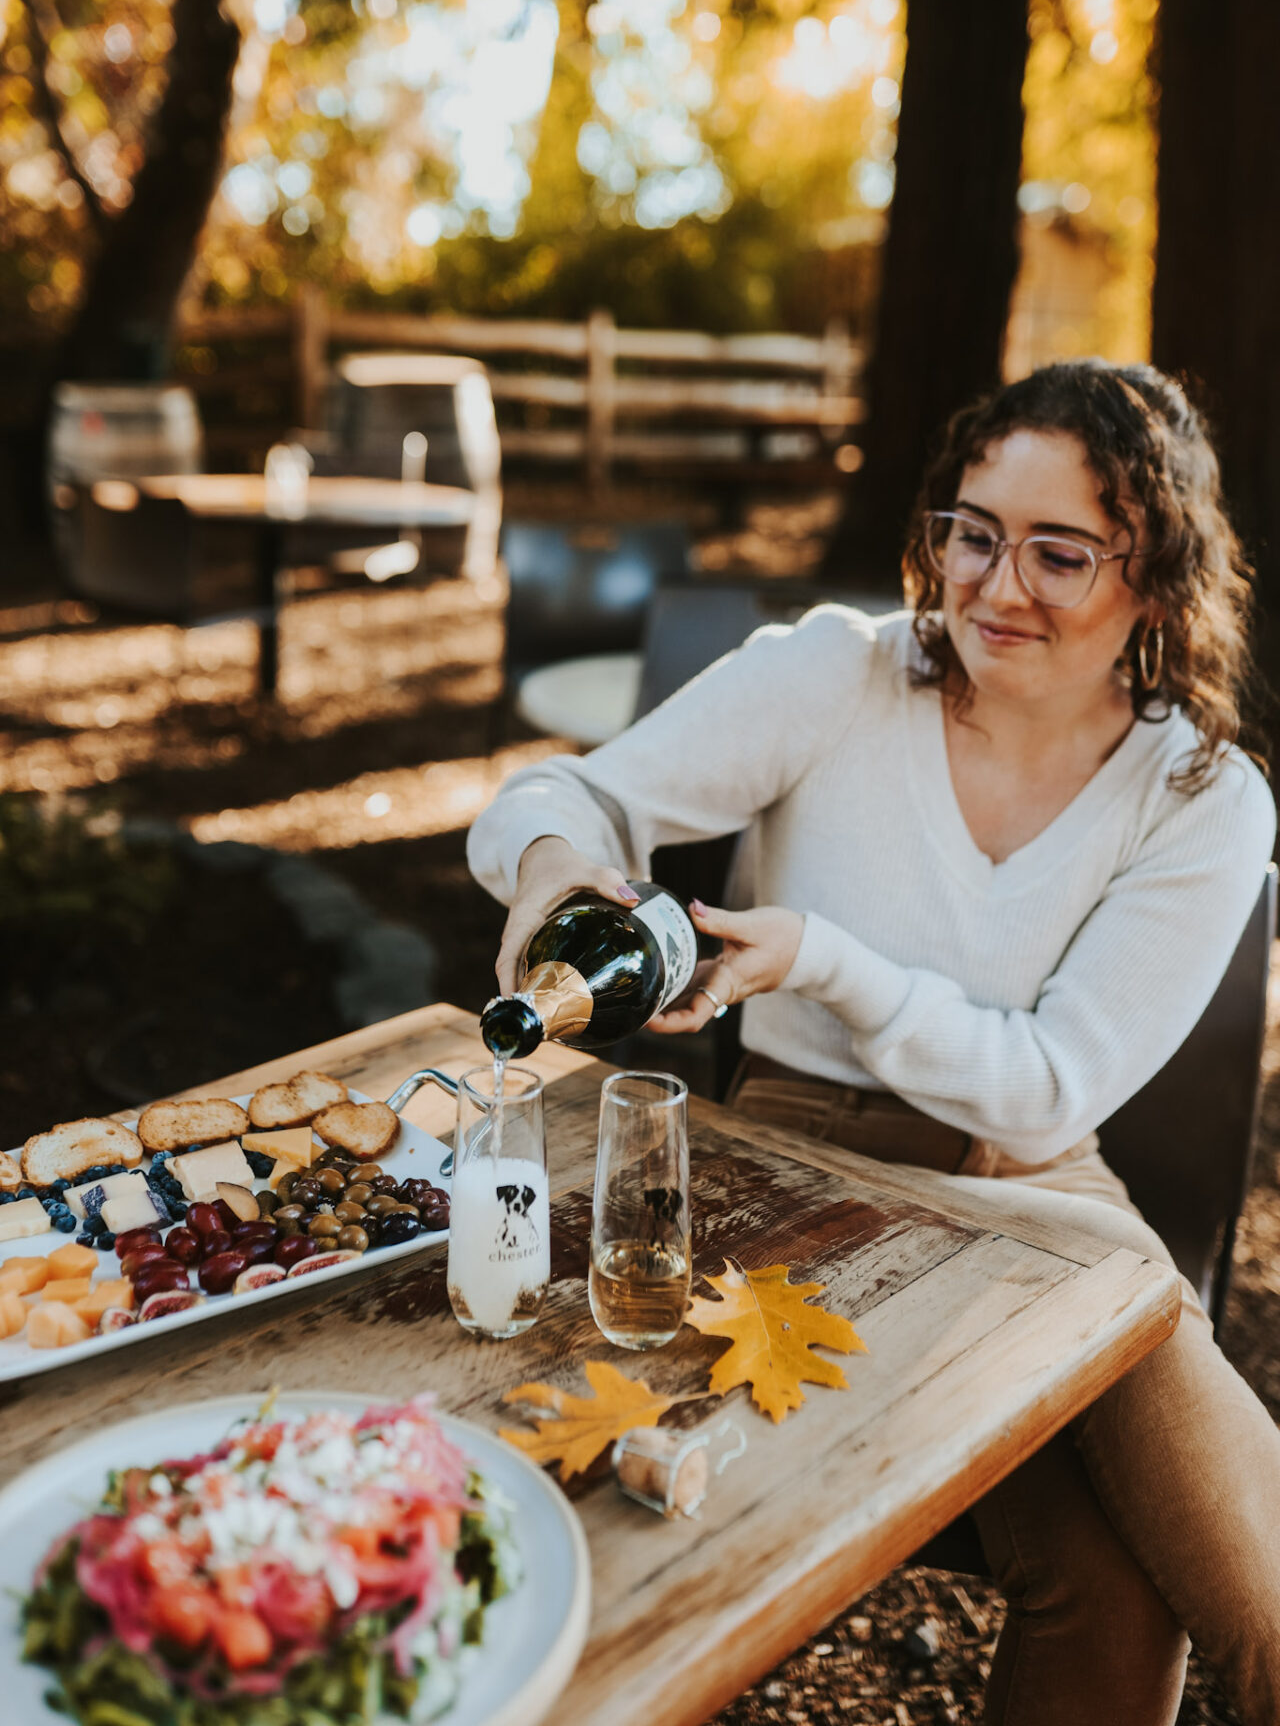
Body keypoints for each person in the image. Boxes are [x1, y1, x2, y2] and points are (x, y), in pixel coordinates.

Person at [467, 359, 1280, 1726]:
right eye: (974, 532)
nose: (995, 586)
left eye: (1060, 553)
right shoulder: (838, 674)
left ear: (1158, 574)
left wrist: (828, 960)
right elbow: (567, 790)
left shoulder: (1204, 797)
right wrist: (560, 876)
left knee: (1254, 1603)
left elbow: (1045, 1096)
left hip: (1042, 1196)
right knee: (1101, 1579)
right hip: (791, 1171)